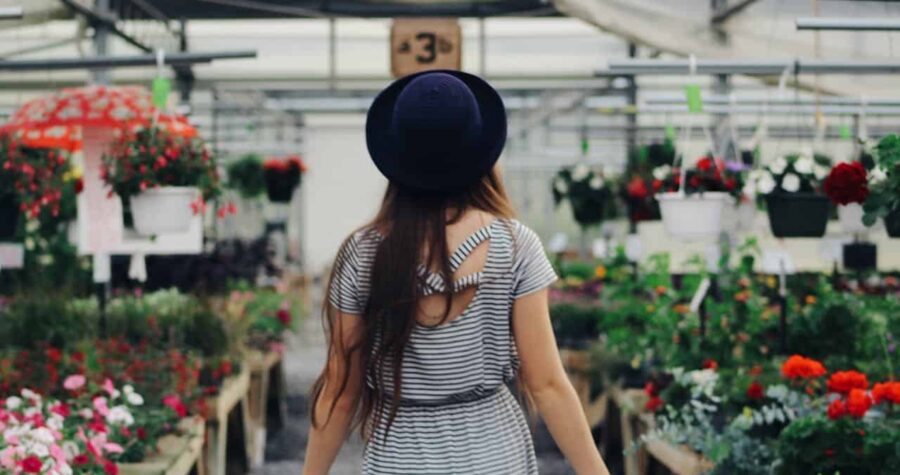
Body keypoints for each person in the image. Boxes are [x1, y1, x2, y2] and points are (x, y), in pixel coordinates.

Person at [302, 70, 610, 475]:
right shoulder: (515, 246)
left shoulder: (364, 254)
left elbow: (341, 394)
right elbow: (547, 385)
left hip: (400, 459)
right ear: (481, 153)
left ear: (397, 155)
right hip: (496, 456)